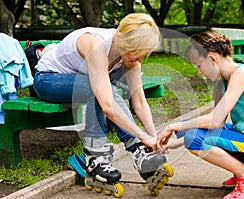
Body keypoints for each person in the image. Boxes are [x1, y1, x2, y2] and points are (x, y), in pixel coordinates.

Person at [34, 13, 167, 188]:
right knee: (97, 89)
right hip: (49, 80)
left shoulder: (130, 58)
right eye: (139, 54)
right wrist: (141, 136)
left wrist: (153, 137)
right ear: (127, 43)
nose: (140, 60)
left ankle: (137, 152)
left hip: (79, 82)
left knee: (101, 88)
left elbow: (140, 102)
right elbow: (107, 105)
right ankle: (95, 156)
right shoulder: (95, 44)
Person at [156, 30, 244, 199]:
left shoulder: (242, 74)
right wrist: (173, 144)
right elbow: (218, 124)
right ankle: (241, 170)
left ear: (213, 58)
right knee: (189, 128)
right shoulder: (224, 81)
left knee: (193, 135)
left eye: (199, 66)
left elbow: (214, 121)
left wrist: (172, 125)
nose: (199, 72)